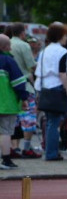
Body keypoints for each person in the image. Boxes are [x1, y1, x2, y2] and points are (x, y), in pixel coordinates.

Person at [34, 22, 67, 161]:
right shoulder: (63, 52)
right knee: (54, 123)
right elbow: (63, 73)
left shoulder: (44, 51)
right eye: (65, 35)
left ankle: (50, 151)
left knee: (50, 122)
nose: (66, 38)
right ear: (60, 36)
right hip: (57, 89)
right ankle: (51, 153)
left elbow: (38, 71)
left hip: (44, 88)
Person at [8, 23, 40, 159]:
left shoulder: (6, 43)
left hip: (8, 86)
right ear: (22, 33)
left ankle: (13, 147)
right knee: (29, 119)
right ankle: (26, 148)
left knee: (13, 120)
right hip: (25, 86)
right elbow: (31, 66)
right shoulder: (24, 45)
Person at [1, 34, 30, 169]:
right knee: (5, 132)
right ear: (5, 47)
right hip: (6, 103)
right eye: (9, 45)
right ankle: (6, 160)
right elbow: (18, 82)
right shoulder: (8, 61)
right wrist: (24, 98)